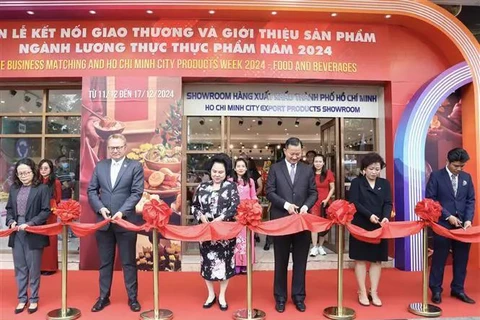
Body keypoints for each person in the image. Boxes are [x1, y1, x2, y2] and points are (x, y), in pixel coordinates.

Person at [87, 133, 144, 312]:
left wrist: (121, 212)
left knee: (128, 263)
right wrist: (100, 208)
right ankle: (103, 297)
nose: (115, 150)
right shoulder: (100, 166)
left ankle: (133, 298)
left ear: (125, 147)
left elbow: (136, 192)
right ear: (108, 148)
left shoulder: (135, 166)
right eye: (112, 147)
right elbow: (91, 191)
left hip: (125, 222)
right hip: (103, 222)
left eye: (119, 147)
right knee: (105, 263)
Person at [265, 137, 317, 313]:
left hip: (302, 221)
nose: (295, 157)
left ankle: (299, 296)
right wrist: (286, 205)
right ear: (285, 150)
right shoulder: (275, 168)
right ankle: (280, 297)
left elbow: (313, 193)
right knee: (281, 261)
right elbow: (269, 191)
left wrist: (305, 206)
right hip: (281, 220)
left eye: (298, 153)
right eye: (292, 153)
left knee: (300, 261)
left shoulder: (307, 169)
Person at [426, 148, 476, 305]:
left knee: (461, 258)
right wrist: (448, 216)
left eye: (462, 166)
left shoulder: (467, 177)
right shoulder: (436, 176)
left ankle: (458, 289)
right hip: (443, 224)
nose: (459, 169)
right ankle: (436, 289)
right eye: (456, 166)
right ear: (447, 162)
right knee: (439, 258)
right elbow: (431, 199)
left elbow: (470, 200)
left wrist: (468, 219)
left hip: (463, 227)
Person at [192, 154, 240, 311]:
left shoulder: (231, 187)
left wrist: (221, 218)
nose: (217, 175)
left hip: (224, 233)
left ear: (226, 173)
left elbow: (235, 207)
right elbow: (194, 206)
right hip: (206, 232)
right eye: (214, 171)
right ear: (210, 171)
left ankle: (222, 295)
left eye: (220, 172)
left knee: (225, 264)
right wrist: (201, 216)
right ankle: (211, 294)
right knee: (207, 263)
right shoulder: (202, 187)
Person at [5, 158, 51, 314]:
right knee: (20, 268)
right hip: (17, 231)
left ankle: (34, 299)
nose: (23, 176)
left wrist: (31, 223)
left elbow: (46, 211)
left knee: (33, 268)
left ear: (33, 171)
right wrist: (11, 220)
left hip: (33, 231)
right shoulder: (14, 188)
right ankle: (22, 298)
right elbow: (9, 209)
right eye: (20, 173)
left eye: (26, 172)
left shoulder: (42, 189)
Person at [348, 153, 392, 307]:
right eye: (371, 169)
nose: (374, 172)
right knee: (360, 259)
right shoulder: (356, 183)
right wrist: (369, 215)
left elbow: (388, 203)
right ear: (364, 169)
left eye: (377, 169)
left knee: (376, 260)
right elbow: (354, 202)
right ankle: (361, 291)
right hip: (361, 224)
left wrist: (386, 217)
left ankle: (374, 291)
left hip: (379, 226)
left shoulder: (385, 184)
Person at [230, 158, 257, 274]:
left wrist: (254, 210)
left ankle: (245, 264)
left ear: (246, 168)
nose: (240, 168)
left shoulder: (250, 181)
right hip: (235, 214)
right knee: (236, 239)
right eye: (238, 166)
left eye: (243, 166)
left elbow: (254, 197)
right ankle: (236, 264)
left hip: (247, 214)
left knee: (246, 239)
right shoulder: (230, 181)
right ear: (235, 168)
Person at [38, 159, 62, 275]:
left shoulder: (55, 182)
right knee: (38, 240)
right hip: (37, 214)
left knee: (50, 240)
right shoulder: (36, 181)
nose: (43, 171)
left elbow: (58, 199)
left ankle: (50, 267)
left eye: (46, 168)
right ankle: (40, 266)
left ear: (51, 169)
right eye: (41, 168)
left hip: (50, 214)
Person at [309, 154, 335, 257]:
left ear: (323, 162)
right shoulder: (310, 173)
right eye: (316, 161)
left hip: (325, 202)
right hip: (313, 202)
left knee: (324, 226)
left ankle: (320, 246)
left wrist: (327, 199)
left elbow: (332, 188)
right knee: (314, 225)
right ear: (313, 162)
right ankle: (314, 247)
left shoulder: (328, 173)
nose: (318, 163)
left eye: (320, 161)